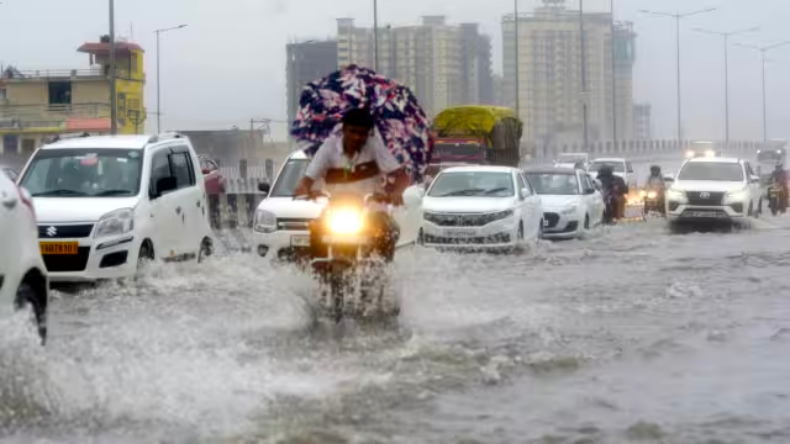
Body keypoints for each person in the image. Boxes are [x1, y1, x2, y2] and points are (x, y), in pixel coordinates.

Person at [294, 108, 411, 262]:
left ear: (368, 134)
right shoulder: (328, 147)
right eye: (352, 131)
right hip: (335, 211)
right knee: (315, 229)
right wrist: (305, 190)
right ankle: (318, 273)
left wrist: (397, 192)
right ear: (343, 129)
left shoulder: (374, 146)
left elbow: (401, 176)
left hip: (370, 211)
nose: (357, 137)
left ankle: (382, 275)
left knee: (387, 231)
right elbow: (307, 180)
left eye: (362, 133)